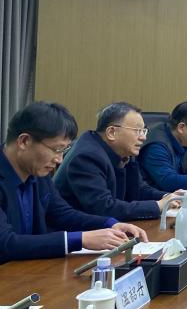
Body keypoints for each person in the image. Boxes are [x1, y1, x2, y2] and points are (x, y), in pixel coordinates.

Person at [0, 102, 148, 264]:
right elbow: (6, 243)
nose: (59, 160)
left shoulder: (36, 170)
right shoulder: (35, 166)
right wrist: (80, 239)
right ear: (24, 141)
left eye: (63, 151)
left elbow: (61, 213)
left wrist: (110, 224)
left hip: (27, 267)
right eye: (56, 149)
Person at [55, 102, 180, 221]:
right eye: (137, 131)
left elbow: (138, 190)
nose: (143, 137)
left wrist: (168, 198)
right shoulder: (87, 157)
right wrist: (158, 205)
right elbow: (104, 208)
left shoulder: (123, 151)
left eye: (144, 131)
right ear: (111, 132)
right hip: (75, 231)